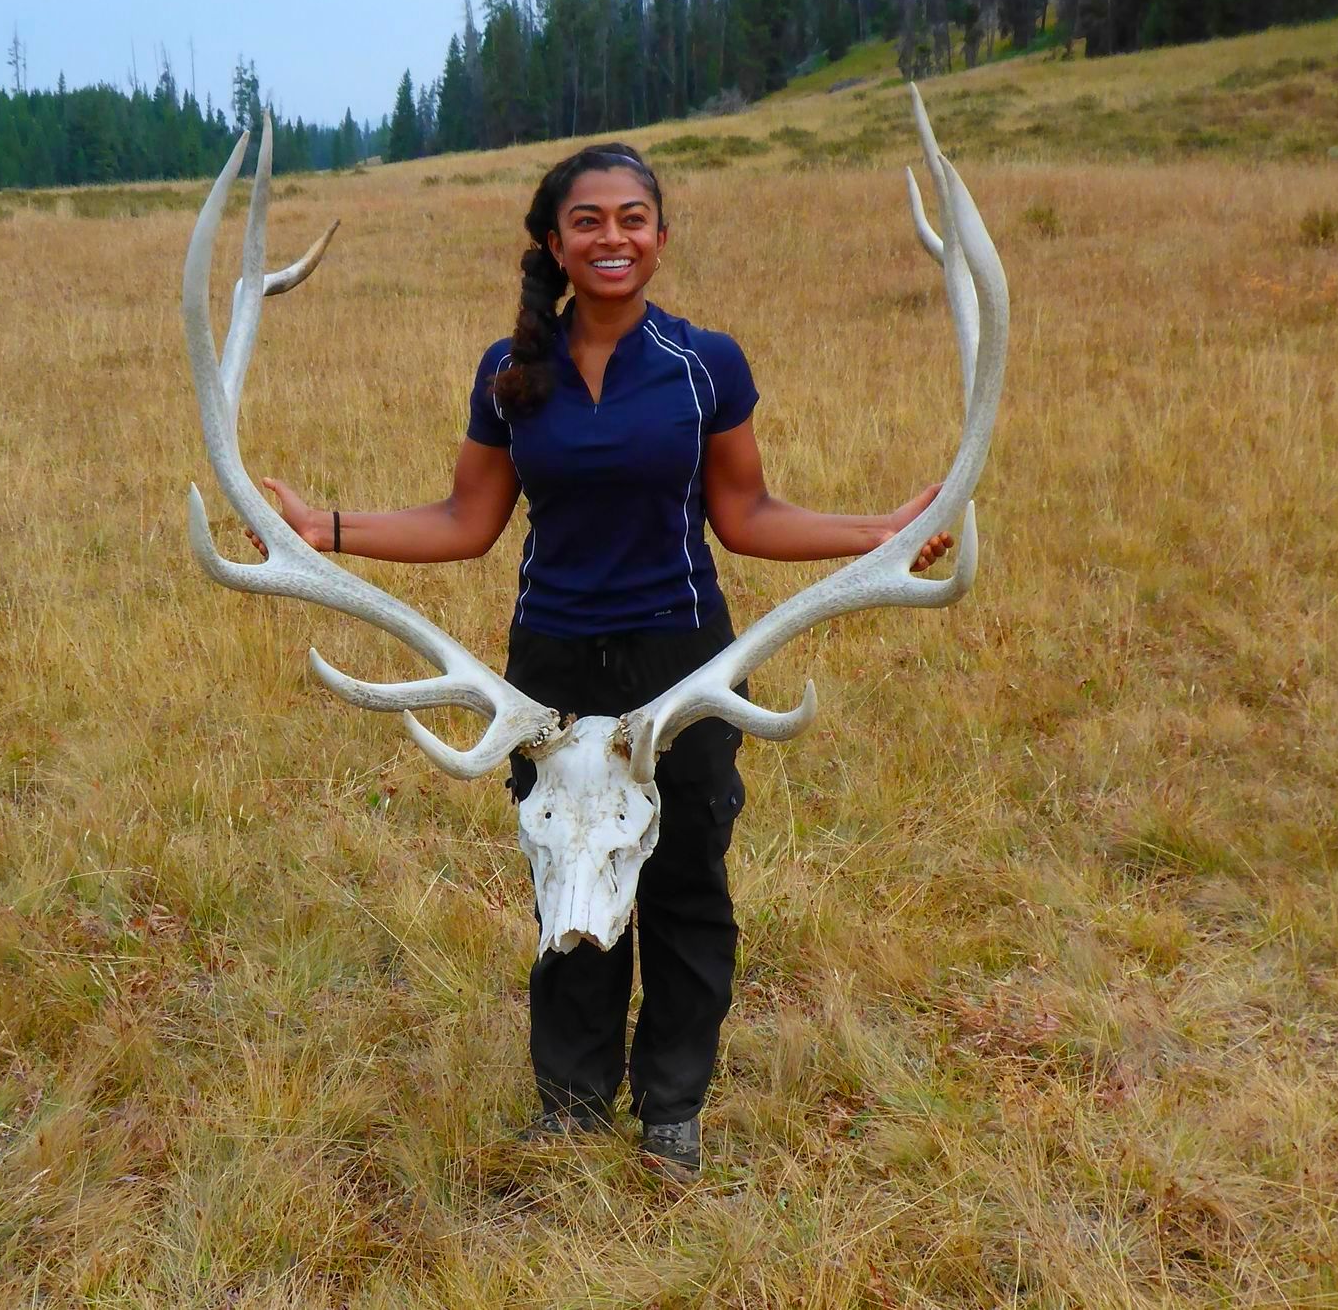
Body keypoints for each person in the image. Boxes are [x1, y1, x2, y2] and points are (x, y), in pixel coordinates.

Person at [250, 142, 951, 1179]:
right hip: (551, 669)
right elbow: (467, 519)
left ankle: (672, 1105)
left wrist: (878, 530)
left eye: (633, 218)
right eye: (589, 221)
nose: (612, 237)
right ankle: (572, 1106)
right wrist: (331, 527)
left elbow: (747, 514)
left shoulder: (706, 363)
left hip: (684, 662)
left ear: (661, 239)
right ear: (553, 242)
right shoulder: (511, 371)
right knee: (570, 876)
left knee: (682, 881)